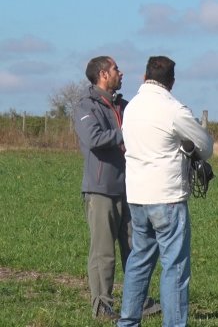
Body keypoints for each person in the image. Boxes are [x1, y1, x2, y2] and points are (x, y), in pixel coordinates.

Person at [117, 56, 214, 327]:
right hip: (167, 197)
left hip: (136, 195)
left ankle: (128, 322)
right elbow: (204, 145)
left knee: (139, 261)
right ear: (171, 81)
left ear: (144, 75)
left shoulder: (132, 107)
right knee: (175, 267)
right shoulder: (173, 109)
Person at [73, 56, 160, 320]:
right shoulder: (85, 106)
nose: (120, 73)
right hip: (101, 190)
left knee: (136, 248)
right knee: (103, 252)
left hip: (131, 188)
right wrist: (126, 133)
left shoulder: (125, 105)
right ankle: (102, 306)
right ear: (102, 74)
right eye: (115, 70)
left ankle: (140, 301)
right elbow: (94, 138)